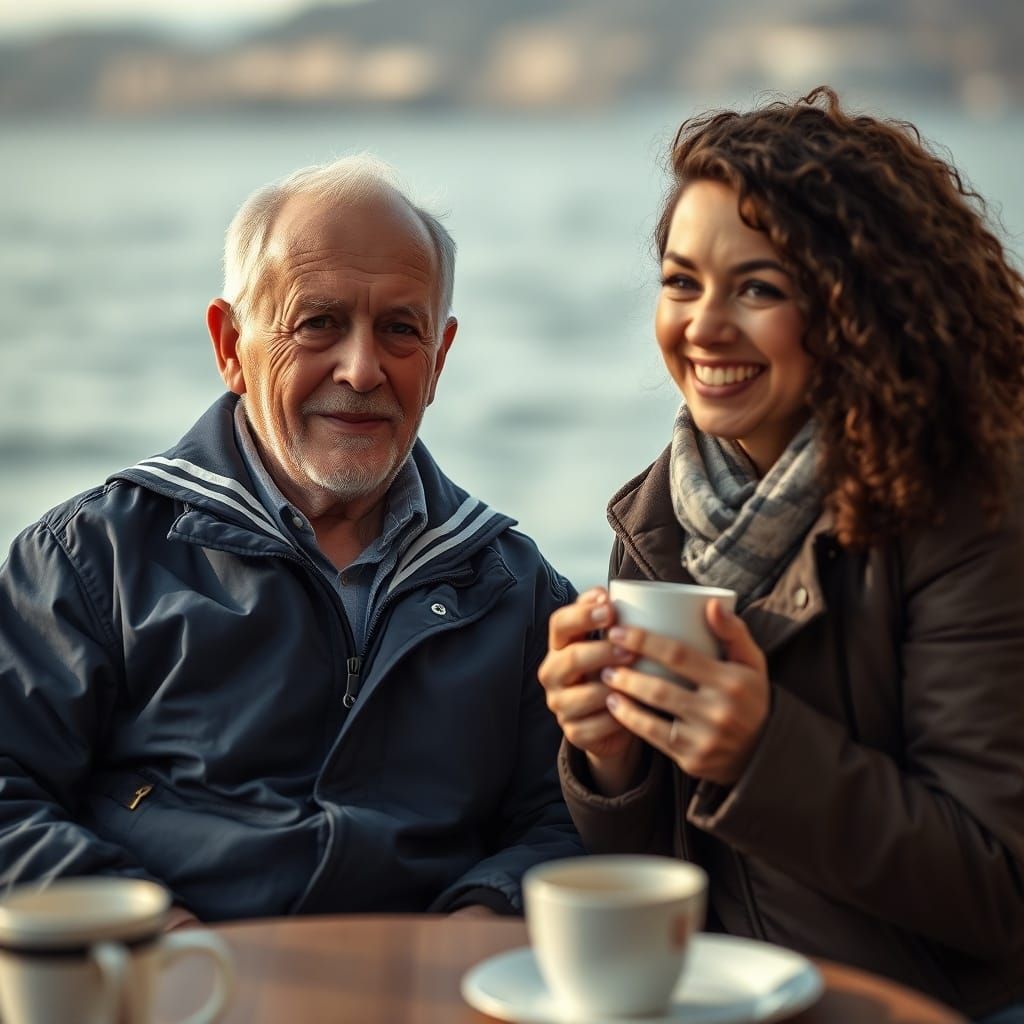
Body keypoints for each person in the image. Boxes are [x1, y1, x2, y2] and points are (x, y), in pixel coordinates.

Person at [538, 87, 1024, 1022]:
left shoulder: (968, 507)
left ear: (858, 307)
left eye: (758, 289)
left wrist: (762, 755)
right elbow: (660, 879)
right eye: (682, 282)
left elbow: (999, 888)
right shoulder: (659, 519)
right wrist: (608, 761)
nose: (704, 326)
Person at [0, 155, 581, 925]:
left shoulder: (518, 592)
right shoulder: (89, 561)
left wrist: (478, 924)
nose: (363, 369)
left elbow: (567, 817)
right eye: (319, 323)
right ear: (230, 345)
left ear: (439, 359)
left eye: (399, 330)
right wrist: (157, 937)